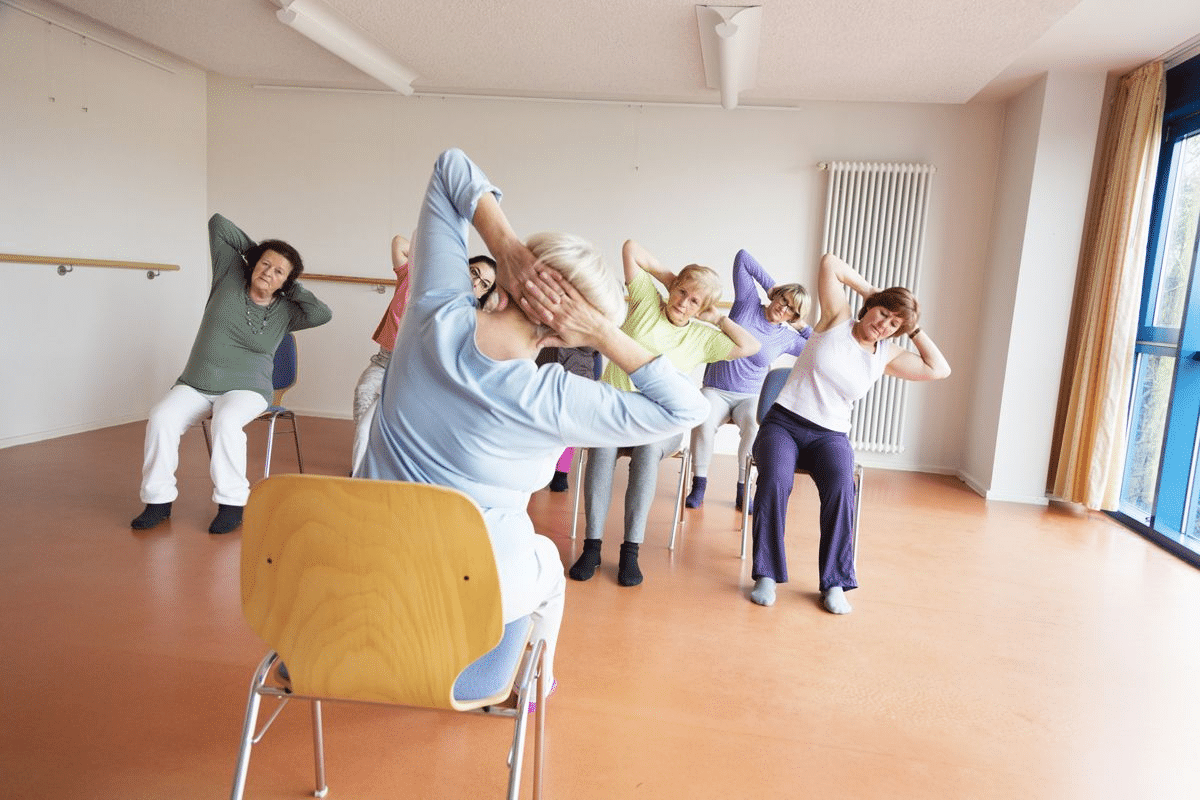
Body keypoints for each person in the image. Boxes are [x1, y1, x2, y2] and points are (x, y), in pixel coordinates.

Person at [359, 148, 709, 700]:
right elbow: (687, 411)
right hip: (454, 628)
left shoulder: (434, 312)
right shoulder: (555, 400)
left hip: (352, 608)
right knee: (545, 560)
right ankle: (533, 690)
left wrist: (507, 250)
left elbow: (451, 167)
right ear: (570, 328)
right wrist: (601, 334)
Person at [748, 253, 950, 613]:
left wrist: (914, 327)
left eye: (894, 323)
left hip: (830, 436)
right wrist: (874, 292)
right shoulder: (837, 317)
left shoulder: (886, 354)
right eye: (883, 314)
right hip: (784, 423)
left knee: (842, 489)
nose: (884, 325)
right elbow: (830, 263)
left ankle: (834, 583)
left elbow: (939, 369)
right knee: (775, 480)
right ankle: (766, 573)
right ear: (870, 308)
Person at [570, 240, 760, 587]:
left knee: (646, 452)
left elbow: (751, 347)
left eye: (694, 301)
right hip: (615, 410)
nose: (683, 303)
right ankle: (592, 547)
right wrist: (672, 279)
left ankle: (631, 551)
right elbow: (629, 248)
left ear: (703, 308)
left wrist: (718, 317)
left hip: (661, 421)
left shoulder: (704, 337)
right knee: (601, 450)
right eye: (681, 292)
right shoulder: (646, 302)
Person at [131, 214, 332, 534]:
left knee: (226, 421)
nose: (268, 272)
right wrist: (259, 255)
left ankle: (232, 504)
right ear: (253, 263)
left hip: (247, 389)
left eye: (278, 271)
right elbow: (218, 225)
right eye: (265, 264)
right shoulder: (229, 274)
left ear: (287, 282)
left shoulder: (287, 311)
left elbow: (323, 313)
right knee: (161, 417)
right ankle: (158, 502)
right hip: (197, 383)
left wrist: (289, 283)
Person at [348, 232, 496, 476]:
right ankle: (363, 475)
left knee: (404, 434)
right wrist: (442, 262)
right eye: (474, 273)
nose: (475, 283)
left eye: (484, 284)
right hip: (384, 364)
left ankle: (379, 473)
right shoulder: (417, 278)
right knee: (365, 419)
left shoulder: (468, 317)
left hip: (418, 378)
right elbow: (399, 242)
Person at [685, 248, 811, 512]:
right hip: (716, 389)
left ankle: (743, 490)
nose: (782, 307)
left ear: (794, 316)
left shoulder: (787, 337)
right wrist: (770, 286)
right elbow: (743, 258)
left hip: (749, 396)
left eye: (791, 309)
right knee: (703, 419)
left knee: (754, 427)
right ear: (776, 296)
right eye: (783, 300)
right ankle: (699, 484)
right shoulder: (747, 303)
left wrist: (801, 327)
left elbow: (817, 346)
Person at [534, 346, 602, 492]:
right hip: (557, 367)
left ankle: (559, 472)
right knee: (564, 424)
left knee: (566, 424)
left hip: (569, 369)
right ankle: (557, 472)